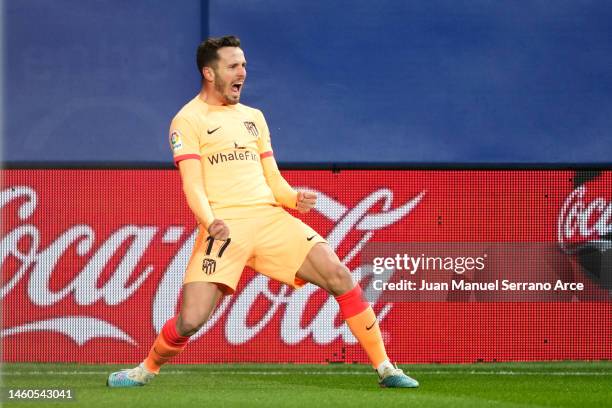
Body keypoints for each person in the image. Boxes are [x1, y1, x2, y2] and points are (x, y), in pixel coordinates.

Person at [106, 35, 418, 389]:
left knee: (339, 274)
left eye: (244, 65)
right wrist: (210, 222)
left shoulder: (254, 117)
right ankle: (146, 368)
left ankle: (386, 368)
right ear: (209, 73)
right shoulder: (187, 120)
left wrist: (291, 197)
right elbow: (192, 185)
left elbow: (272, 176)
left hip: (270, 220)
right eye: (233, 66)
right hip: (224, 227)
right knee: (190, 319)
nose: (242, 72)